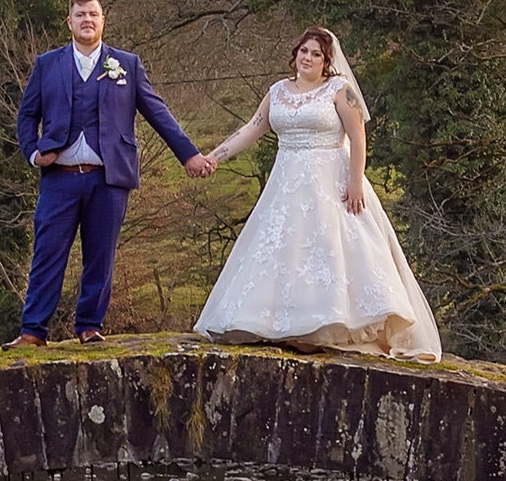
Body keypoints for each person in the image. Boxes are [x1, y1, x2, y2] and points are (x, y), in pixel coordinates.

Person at [186, 26, 440, 357]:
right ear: (296, 54)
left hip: (332, 183)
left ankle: (333, 325)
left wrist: (355, 182)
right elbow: (251, 128)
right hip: (286, 185)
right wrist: (214, 157)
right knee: (282, 252)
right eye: (304, 51)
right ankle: (279, 325)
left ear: (327, 61)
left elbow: (358, 137)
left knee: (332, 249)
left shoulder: (340, 90)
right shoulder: (277, 91)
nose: (308, 58)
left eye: (316, 54)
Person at [13, 0, 201, 345]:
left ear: (103, 21)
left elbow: (157, 113)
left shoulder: (127, 64)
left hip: (108, 177)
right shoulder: (47, 64)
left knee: (100, 256)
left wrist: (188, 154)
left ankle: (89, 326)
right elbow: (27, 115)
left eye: (93, 14)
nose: (87, 20)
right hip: (60, 178)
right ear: (69, 22)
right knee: (48, 253)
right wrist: (33, 153)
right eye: (80, 14)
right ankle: (33, 331)